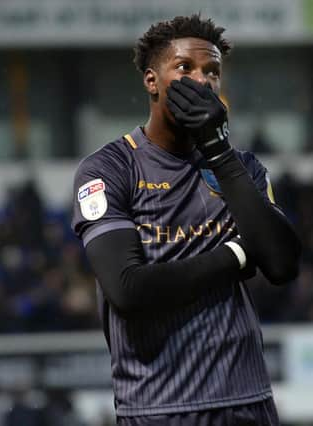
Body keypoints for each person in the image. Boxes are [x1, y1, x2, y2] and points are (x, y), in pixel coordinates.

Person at [71, 14, 301, 426]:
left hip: (247, 404)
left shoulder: (241, 168)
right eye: (185, 68)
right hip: (158, 408)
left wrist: (217, 148)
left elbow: (282, 264)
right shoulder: (108, 169)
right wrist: (236, 257)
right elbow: (129, 289)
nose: (202, 80)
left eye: (212, 71)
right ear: (151, 81)